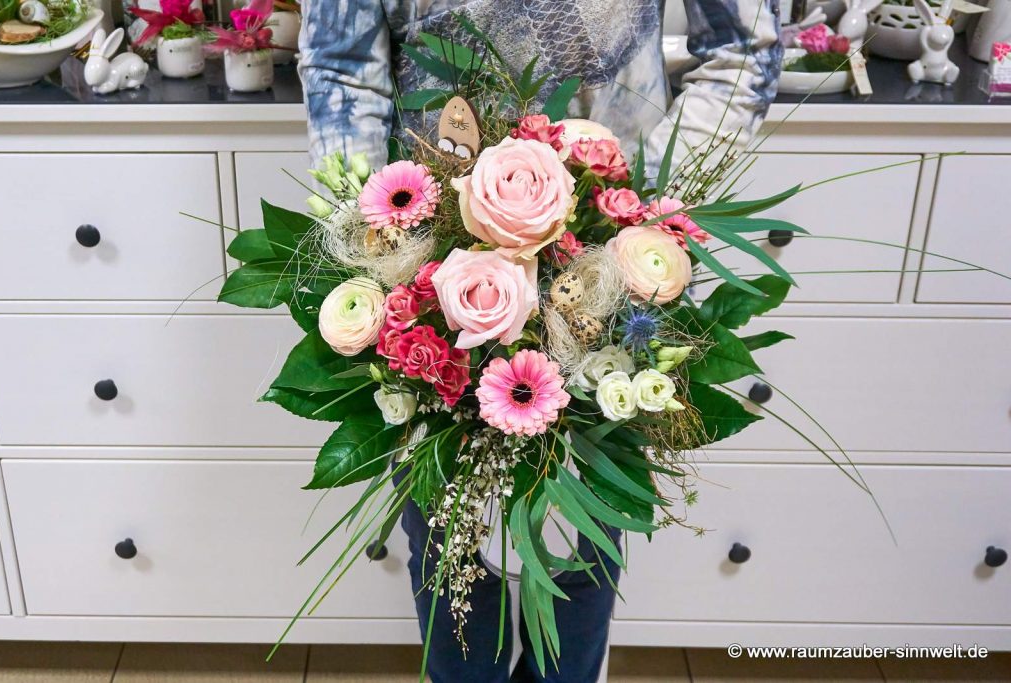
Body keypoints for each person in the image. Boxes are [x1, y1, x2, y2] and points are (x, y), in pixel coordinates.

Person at [298, 2, 782, 681]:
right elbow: (341, 66)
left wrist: (649, 213)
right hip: (430, 298)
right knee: (452, 567)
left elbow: (742, 50)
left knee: (579, 567)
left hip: (612, 284)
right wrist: (377, 244)